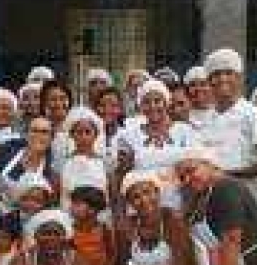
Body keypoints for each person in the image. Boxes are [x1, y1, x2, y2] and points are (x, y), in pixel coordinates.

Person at [195, 48, 257, 207]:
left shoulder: (252, 115)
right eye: (216, 74)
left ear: (239, 78)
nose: (222, 79)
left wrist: (228, 175)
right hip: (209, 202)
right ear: (208, 81)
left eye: (228, 73)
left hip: (247, 202)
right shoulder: (205, 119)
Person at [115, 79, 195, 212]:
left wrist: (189, 209)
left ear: (167, 102)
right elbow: (120, 178)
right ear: (140, 106)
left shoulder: (185, 132)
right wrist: (120, 214)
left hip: (177, 208)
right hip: (139, 210)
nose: (152, 106)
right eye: (146, 102)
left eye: (157, 101)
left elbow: (192, 173)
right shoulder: (128, 136)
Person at [0, 117, 58, 213]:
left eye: (44, 132)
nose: (38, 135)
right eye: (34, 130)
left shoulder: (51, 175)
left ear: (51, 138)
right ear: (26, 134)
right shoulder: (5, 152)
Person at [58, 106, 110, 213]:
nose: (83, 137)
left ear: (95, 135)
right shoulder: (64, 163)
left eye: (87, 132)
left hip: (99, 218)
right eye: (79, 132)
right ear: (72, 135)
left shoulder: (104, 163)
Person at [40, 79, 74, 171]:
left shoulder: (77, 127)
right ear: (44, 103)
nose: (58, 104)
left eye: (63, 98)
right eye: (53, 99)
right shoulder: (38, 128)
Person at [92, 85, 127, 171]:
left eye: (113, 105)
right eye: (103, 105)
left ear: (120, 109)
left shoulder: (127, 135)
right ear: (96, 108)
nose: (107, 110)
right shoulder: (88, 134)